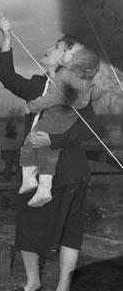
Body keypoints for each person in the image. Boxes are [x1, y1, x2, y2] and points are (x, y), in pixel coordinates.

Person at [0, 18, 100, 291]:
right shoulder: (39, 84)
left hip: (70, 170)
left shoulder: (80, 87)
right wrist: (5, 37)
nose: (57, 50)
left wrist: (54, 139)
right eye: (60, 47)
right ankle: (32, 283)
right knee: (28, 223)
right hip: (36, 168)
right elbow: (6, 77)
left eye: (63, 49)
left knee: (70, 232)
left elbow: (90, 129)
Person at [18, 42, 101, 207]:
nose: (66, 51)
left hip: (52, 119)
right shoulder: (87, 81)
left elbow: (51, 98)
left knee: (29, 145)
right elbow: (96, 93)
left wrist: (31, 106)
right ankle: (43, 188)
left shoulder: (64, 76)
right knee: (48, 152)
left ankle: (30, 181)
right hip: (67, 123)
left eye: (70, 51)